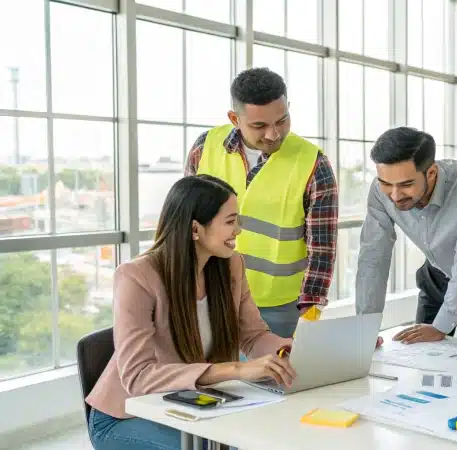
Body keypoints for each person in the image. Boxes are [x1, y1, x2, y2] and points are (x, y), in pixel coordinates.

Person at [85, 175, 297, 450]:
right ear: (195, 228)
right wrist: (235, 370)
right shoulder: (137, 277)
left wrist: (297, 348)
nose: (239, 230)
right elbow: (138, 376)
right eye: (230, 222)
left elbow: (254, 336)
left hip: (194, 406)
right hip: (127, 416)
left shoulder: (230, 266)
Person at [186, 67, 338, 338]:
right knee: (212, 378)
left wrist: (311, 309)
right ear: (235, 118)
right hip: (210, 296)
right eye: (259, 125)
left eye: (282, 120)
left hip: (278, 309)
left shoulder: (314, 164)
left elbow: (322, 248)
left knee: (272, 379)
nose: (273, 134)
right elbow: (185, 223)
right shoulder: (205, 147)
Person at [356, 127, 457, 345]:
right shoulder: (381, 192)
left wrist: (440, 327)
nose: (395, 196)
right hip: (435, 274)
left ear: (431, 173)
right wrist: (365, 327)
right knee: (421, 353)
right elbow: (373, 257)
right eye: (387, 184)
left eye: (406, 184)